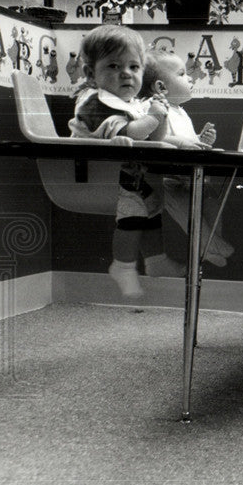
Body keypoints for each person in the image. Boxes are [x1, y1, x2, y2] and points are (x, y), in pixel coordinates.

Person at [68, 26, 183, 298]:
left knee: (152, 206)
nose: (126, 73)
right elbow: (129, 133)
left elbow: (151, 138)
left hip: (126, 175)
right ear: (90, 74)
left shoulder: (129, 103)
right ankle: (123, 266)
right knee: (133, 210)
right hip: (95, 174)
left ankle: (156, 261)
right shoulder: (95, 103)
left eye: (134, 66)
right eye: (113, 66)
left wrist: (160, 117)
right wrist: (153, 116)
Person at [138, 50, 234, 266]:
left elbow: (186, 139)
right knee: (188, 214)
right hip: (168, 179)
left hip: (190, 175)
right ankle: (211, 245)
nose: (189, 77)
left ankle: (208, 246)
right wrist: (184, 143)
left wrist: (201, 140)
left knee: (211, 205)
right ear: (161, 87)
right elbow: (157, 139)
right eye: (181, 74)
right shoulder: (152, 107)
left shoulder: (180, 111)